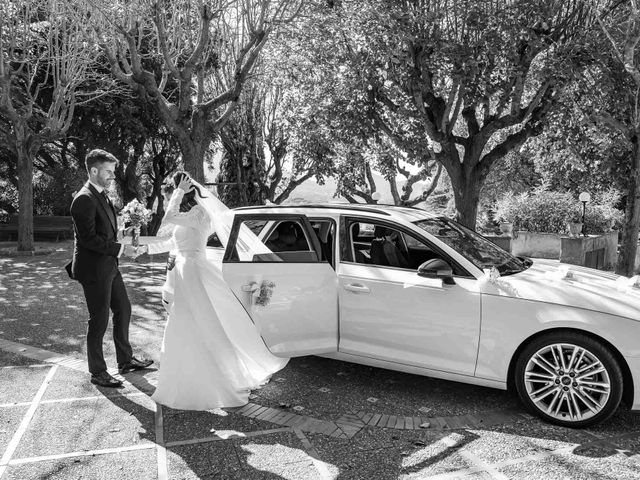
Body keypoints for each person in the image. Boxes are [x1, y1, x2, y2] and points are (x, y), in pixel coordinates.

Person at [135, 172, 288, 410]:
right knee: (185, 324)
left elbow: (168, 215)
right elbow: (172, 244)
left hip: (194, 271)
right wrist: (142, 249)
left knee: (200, 322)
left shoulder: (200, 214)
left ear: (185, 192)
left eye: (173, 194)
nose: (168, 199)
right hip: (183, 272)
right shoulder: (187, 217)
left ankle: (216, 379)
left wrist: (177, 193)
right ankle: (184, 378)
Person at [66, 149, 153, 388]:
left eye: (113, 172)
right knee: (99, 319)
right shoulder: (83, 198)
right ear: (93, 171)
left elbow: (107, 232)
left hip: (109, 266)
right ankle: (98, 371)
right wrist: (123, 250)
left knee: (123, 308)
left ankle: (125, 360)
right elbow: (89, 240)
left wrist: (127, 230)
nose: (112, 176)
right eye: (108, 172)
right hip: (93, 269)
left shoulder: (102, 195)